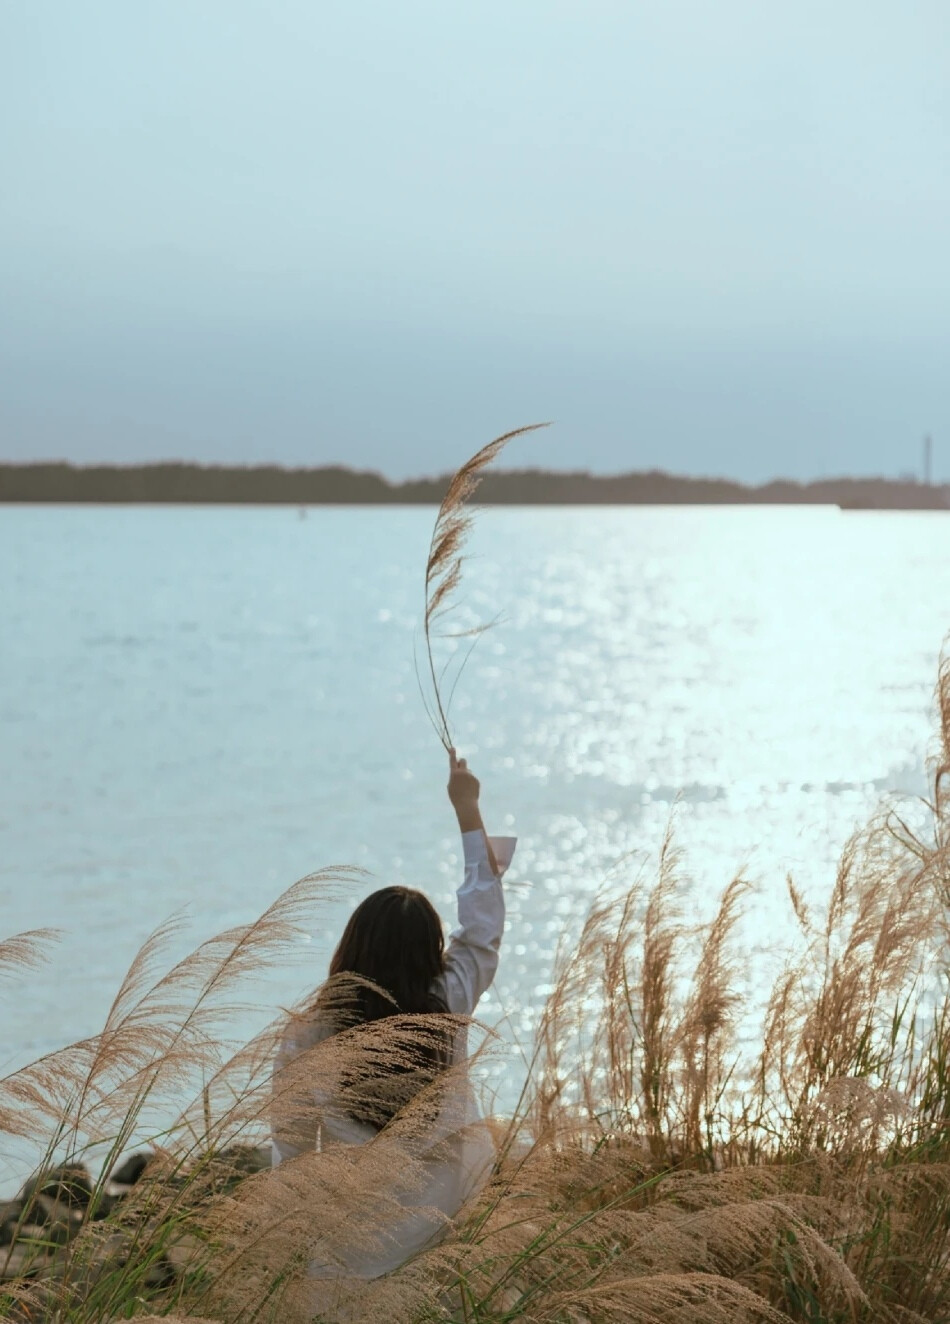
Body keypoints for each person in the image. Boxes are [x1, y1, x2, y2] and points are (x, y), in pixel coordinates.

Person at [270, 747, 515, 1281]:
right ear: (430, 954)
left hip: (344, 1262)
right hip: (441, 1252)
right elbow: (483, 926)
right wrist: (468, 810)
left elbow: (289, 1155)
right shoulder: (447, 1007)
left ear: (350, 950)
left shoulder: (309, 1034)